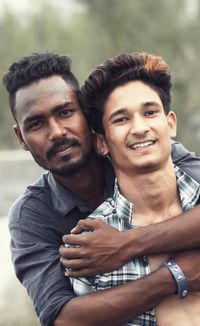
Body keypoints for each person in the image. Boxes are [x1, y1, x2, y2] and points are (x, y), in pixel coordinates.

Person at [2, 52, 200, 326]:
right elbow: (63, 318)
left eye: (65, 112)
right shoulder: (32, 215)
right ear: (21, 138)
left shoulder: (141, 150)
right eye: (36, 124)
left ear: (87, 116)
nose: (57, 131)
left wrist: (125, 244)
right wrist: (175, 276)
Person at [62, 52, 200, 325]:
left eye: (150, 113)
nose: (139, 128)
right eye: (121, 119)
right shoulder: (91, 247)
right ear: (101, 143)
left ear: (170, 123)